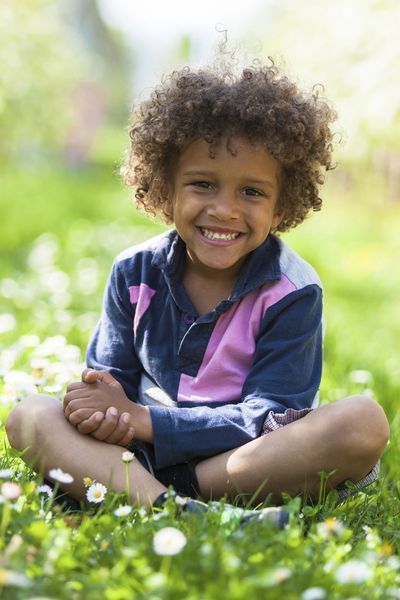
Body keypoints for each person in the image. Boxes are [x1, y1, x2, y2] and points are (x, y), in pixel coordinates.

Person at [6, 58, 389, 515]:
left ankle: (141, 495)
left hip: (236, 460)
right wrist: (98, 408)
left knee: (362, 423)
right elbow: (112, 383)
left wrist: (146, 421)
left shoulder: (293, 291)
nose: (224, 210)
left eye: (251, 192)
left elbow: (270, 417)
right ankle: (178, 509)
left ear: (282, 202)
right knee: (30, 415)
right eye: (203, 184)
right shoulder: (134, 272)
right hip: (135, 451)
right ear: (166, 188)